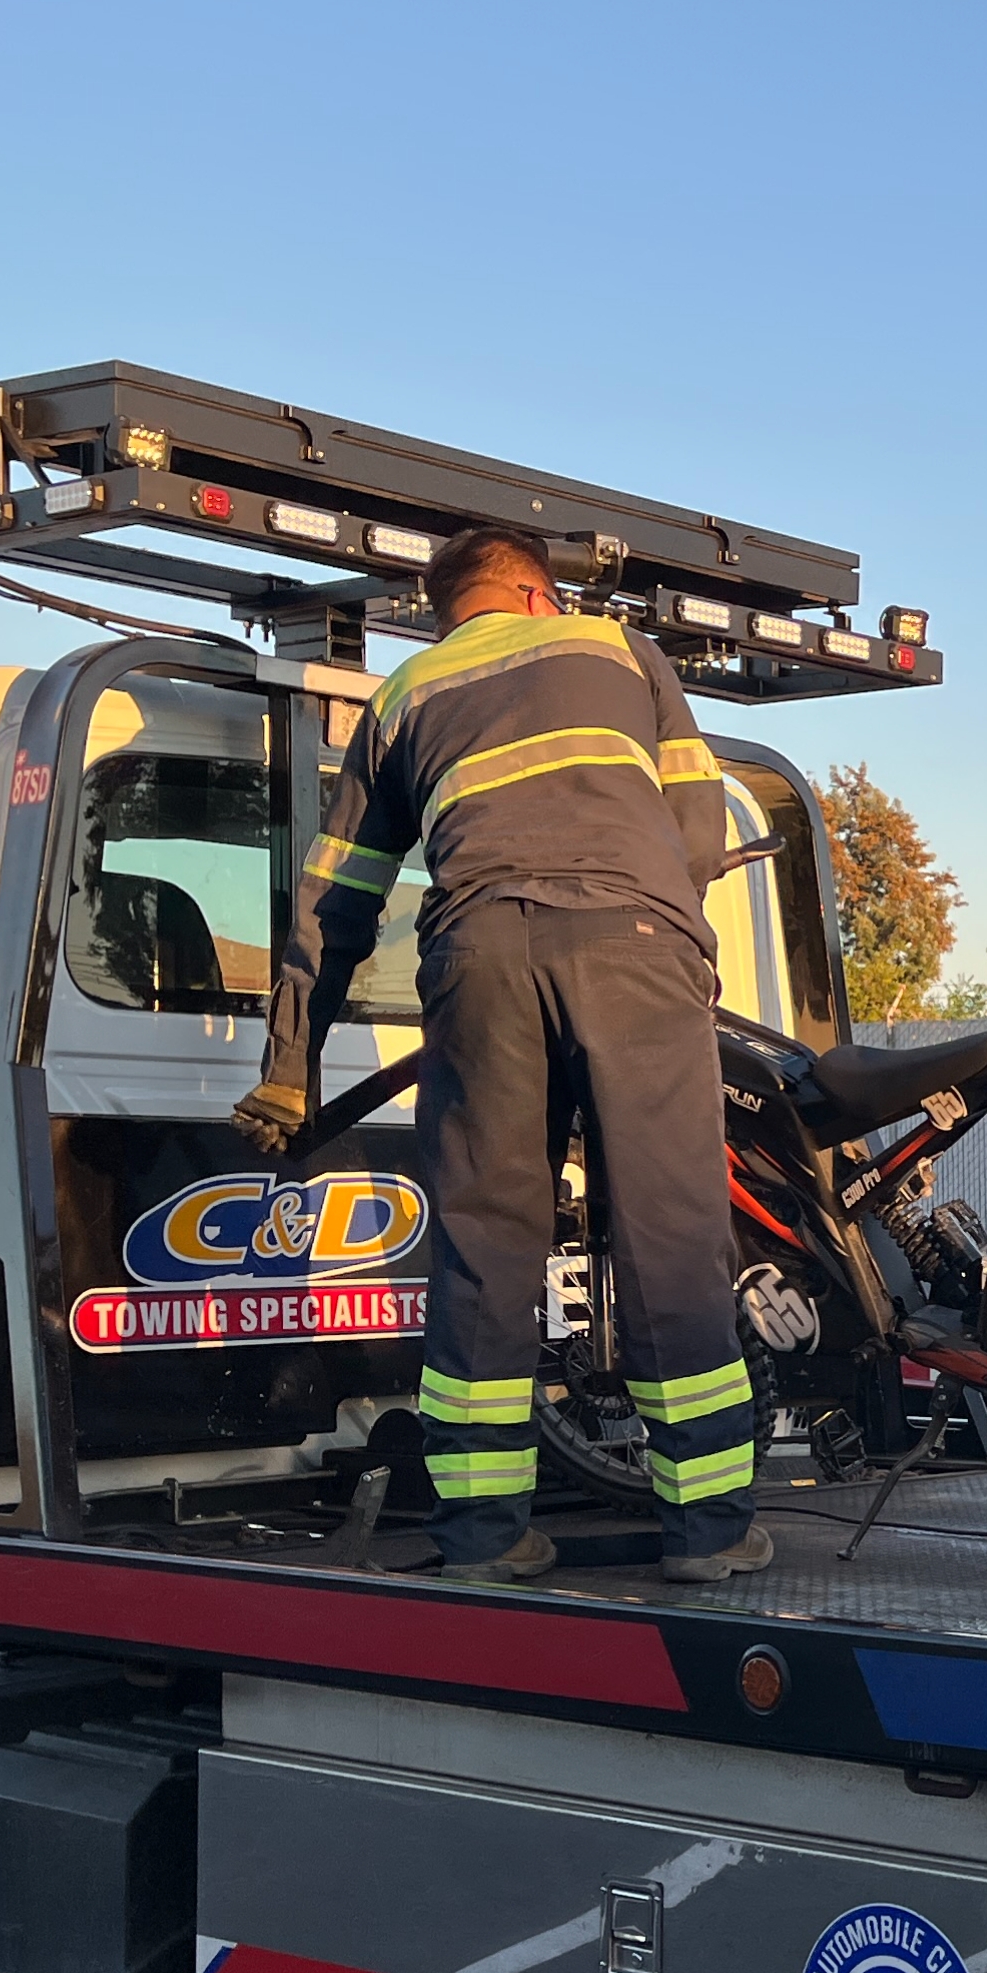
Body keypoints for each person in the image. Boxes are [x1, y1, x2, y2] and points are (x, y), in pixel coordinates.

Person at [235, 527, 769, 1586]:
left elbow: (333, 899)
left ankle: (486, 1536)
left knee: (486, 1246)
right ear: (535, 591)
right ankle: (707, 1532)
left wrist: (291, 1063)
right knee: (667, 1230)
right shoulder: (616, 652)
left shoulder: (402, 698)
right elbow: (700, 833)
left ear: (448, 610)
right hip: (634, 947)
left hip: (476, 961)